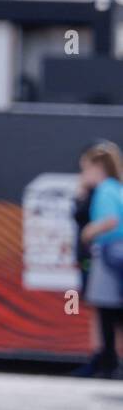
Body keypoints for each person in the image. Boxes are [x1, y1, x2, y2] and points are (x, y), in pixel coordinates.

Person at [79, 141, 123, 379]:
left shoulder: (106, 189)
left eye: (86, 168)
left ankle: (108, 362)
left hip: (108, 255)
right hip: (114, 257)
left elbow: (110, 221)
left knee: (106, 312)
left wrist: (88, 233)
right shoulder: (116, 187)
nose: (83, 174)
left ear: (98, 167)